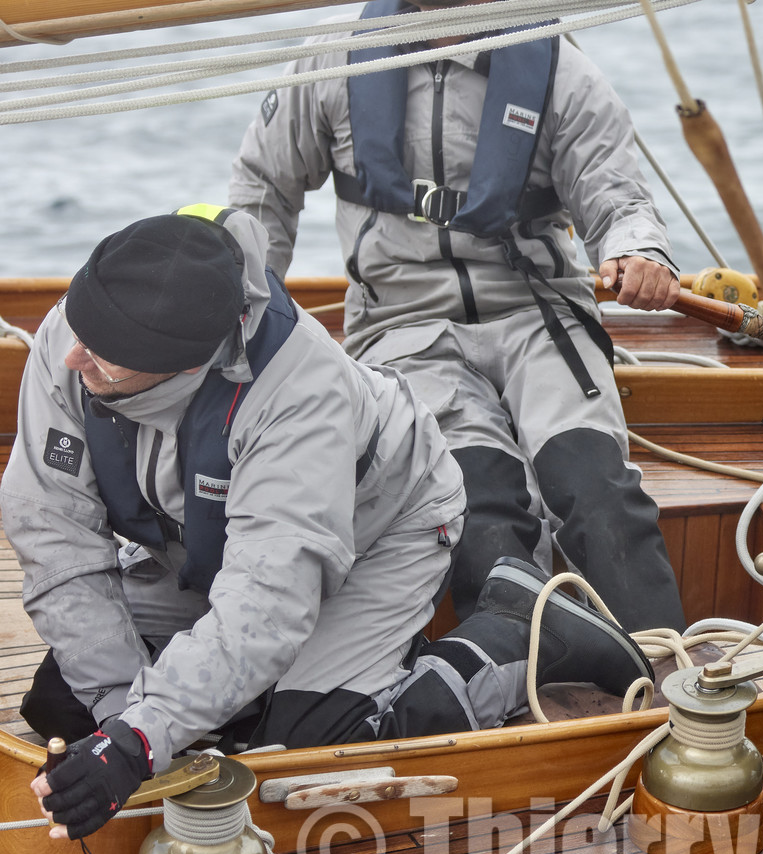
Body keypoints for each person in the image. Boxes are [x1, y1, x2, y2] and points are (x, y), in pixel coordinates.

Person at [4, 209, 652, 840]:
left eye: (107, 356)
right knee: (69, 701)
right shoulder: (81, 336)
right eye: (78, 332)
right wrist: (125, 724)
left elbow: (266, 605)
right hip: (212, 539)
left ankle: (519, 632)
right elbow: (54, 536)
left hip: (385, 527)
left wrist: (139, 740)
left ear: (187, 366)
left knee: (310, 748)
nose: (73, 358)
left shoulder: (298, 397)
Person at [227, 0, 686, 633]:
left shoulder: (557, 65)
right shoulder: (332, 60)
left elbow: (617, 195)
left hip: (539, 316)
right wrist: (245, 314)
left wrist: (638, 250)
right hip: (403, 326)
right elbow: (263, 189)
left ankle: (669, 676)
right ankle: (520, 685)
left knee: (595, 486)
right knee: (480, 501)